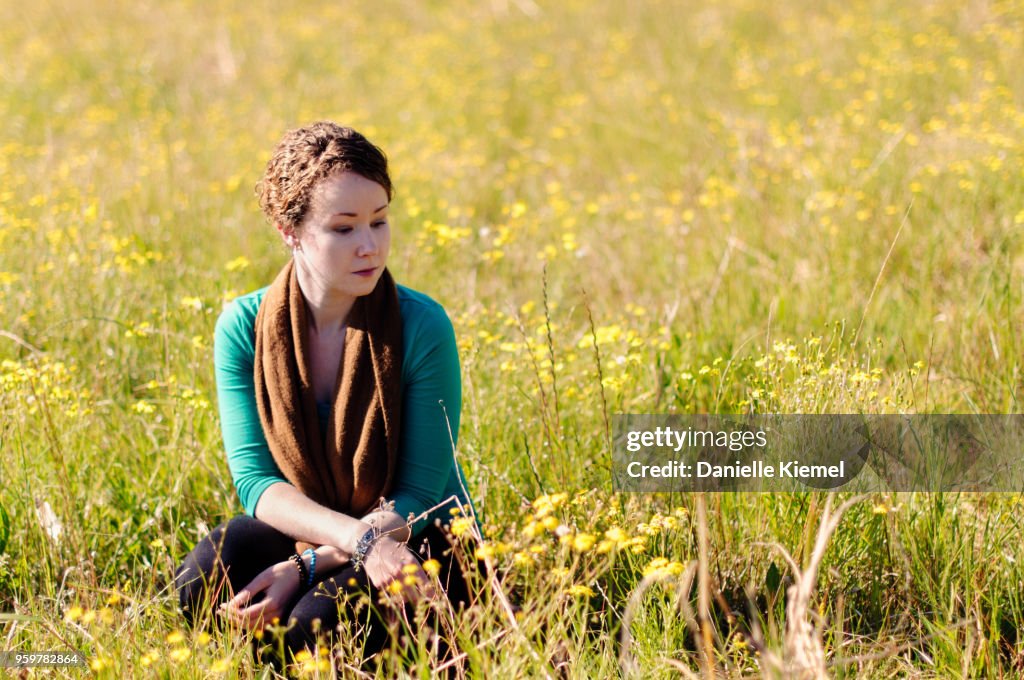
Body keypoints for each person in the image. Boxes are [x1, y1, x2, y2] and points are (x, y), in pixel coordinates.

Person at [174, 121, 480, 667]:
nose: (370, 245)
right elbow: (257, 485)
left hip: (417, 540)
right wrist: (349, 546)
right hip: (329, 532)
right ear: (290, 231)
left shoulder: (422, 326)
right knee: (207, 576)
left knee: (311, 626)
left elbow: (420, 494)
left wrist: (310, 566)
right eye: (343, 229)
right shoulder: (242, 327)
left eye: (380, 221)